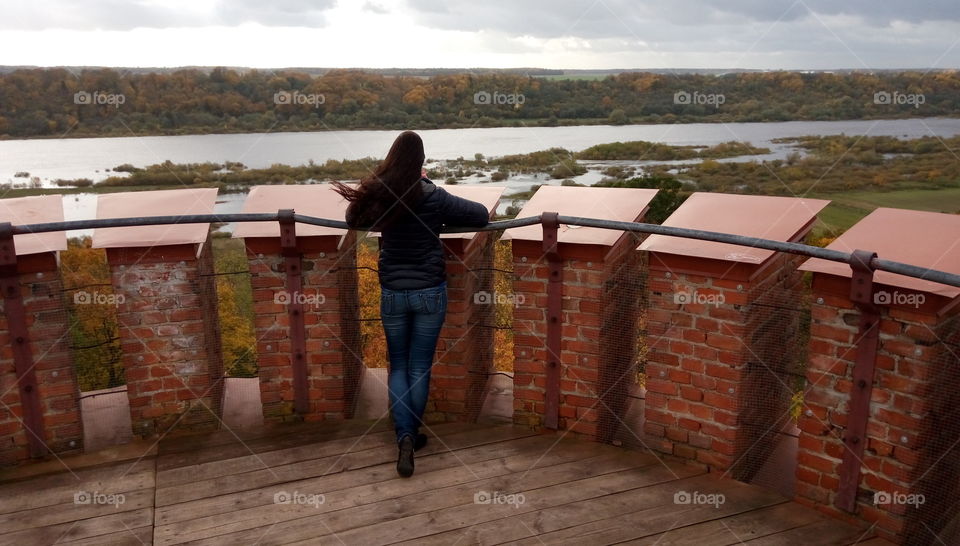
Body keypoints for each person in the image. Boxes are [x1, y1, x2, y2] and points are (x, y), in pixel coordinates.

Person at [333, 131, 490, 477]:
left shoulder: (383, 193)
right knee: (420, 367)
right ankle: (410, 435)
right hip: (429, 292)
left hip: (393, 293)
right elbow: (480, 215)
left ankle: (404, 436)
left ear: (391, 159)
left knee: (399, 366)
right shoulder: (431, 194)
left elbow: (352, 218)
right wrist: (431, 193)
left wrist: (376, 183)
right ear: (420, 163)